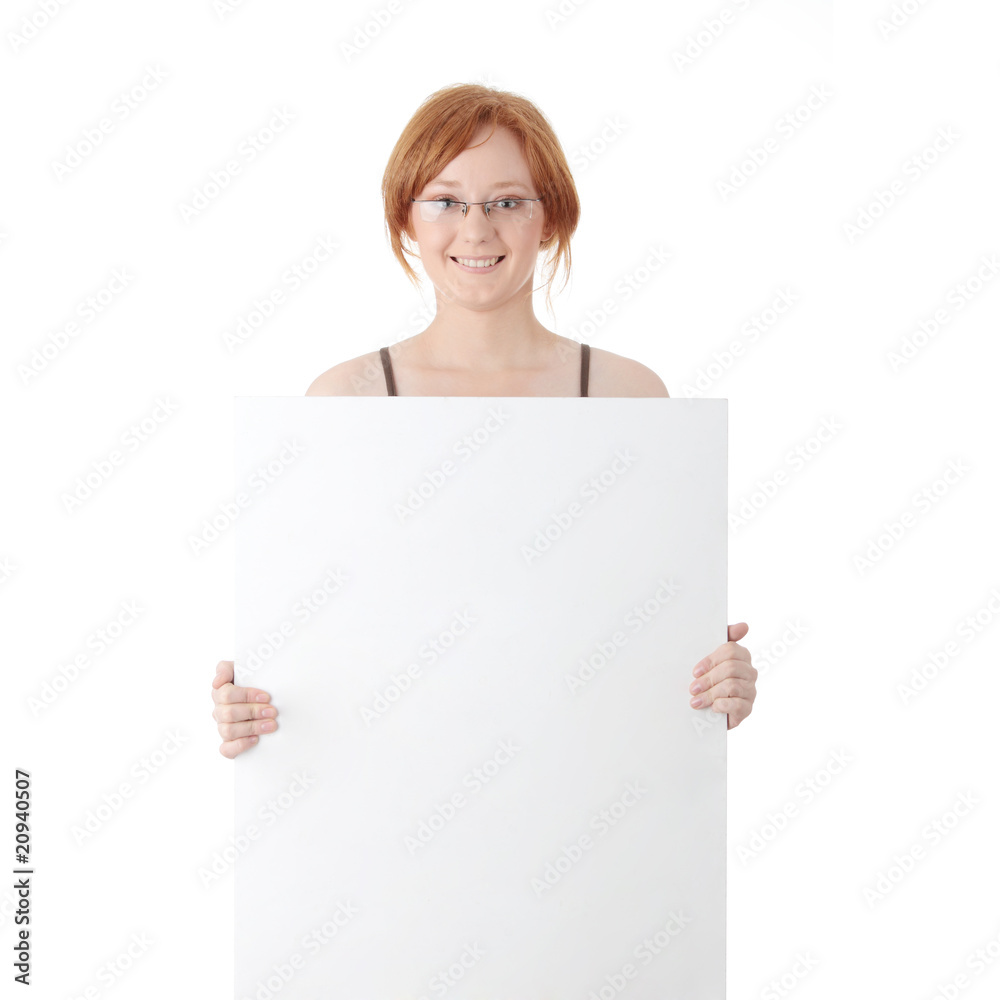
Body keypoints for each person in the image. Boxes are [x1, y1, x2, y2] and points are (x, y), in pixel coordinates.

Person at [211, 83, 758, 759]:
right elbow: (326, 635)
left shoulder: (630, 396)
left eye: (507, 201)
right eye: (445, 201)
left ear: (550, 218)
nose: (476, 229)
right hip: (389, 803)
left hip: (585, 799)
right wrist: (260, 709)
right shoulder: (345, 401)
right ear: (406, 220)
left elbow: (645, 626)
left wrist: (714, 687)